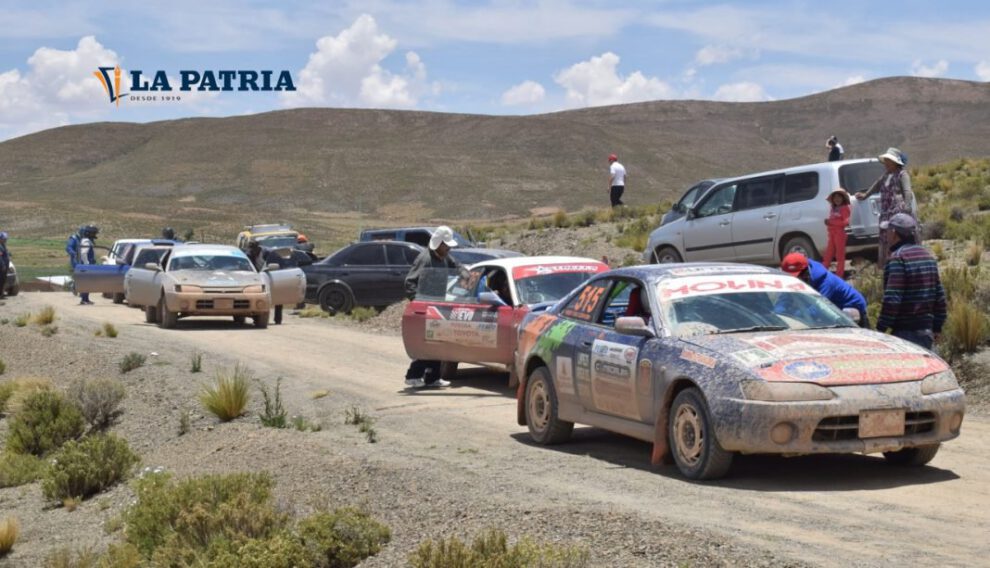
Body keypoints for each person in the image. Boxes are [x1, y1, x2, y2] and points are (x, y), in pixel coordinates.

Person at [403, 226, 465, 388]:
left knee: (438, 341)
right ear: (438, 244)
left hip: (439, 305)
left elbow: (457, 266)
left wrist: (465, 274)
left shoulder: (445, 256)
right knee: (427, 344)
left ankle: (433, 377)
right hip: (425, 307)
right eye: (447, 245)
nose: (449, 248)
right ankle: (413, 375)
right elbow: (410, 282)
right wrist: (418, 303)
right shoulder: (425, 259)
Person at [875, 213, 946, 350]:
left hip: (905, 332)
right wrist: (937, 326)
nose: (886, 235)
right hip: (926, 331)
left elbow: (892, 298)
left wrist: (880, 329)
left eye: (888, 231)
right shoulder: (928, 256)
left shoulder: (898, 259)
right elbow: (939, 295)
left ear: (894, 233)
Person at [855, 147, 917, 267]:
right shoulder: (885, 176)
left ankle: (901, 263)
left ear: (895, 162)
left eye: (889, 161)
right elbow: (876, 186)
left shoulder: (902, 175)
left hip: (898, 212)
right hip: (886, 212)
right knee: (886, 238)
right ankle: (887, 264)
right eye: (886, 161)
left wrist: (907, 208)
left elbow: (907, 191)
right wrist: (865, 195)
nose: (886, 163)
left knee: (897, 237)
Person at [780, 252, 869, 327]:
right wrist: (778, 316)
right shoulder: (794, 280)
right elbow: (784, 300)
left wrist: (793, 317)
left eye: (796, 276)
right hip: (831, 311)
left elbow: (817, 309)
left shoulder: (826, 282)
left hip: (851, 308)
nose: (793, 280)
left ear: (806, 272)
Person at [822, 188, 852, 278]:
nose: (837, 199)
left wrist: (830, 222)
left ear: (843, 198)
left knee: (840, 256)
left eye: (839, 197)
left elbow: (845, 222)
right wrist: (828, 222)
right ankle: (821, 274)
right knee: (828, 255)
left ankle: (839, 276)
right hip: (832, 234)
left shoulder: (845, 208)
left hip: (840, 234)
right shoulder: (833, 208)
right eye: (835, 197)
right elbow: (834, 220)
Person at [76, 225, 98, 305]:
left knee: (87, 282)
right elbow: (84, 253)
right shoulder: (86, 241)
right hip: (86, 266)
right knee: (86, 282)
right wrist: (87, 264)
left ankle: (86, 299)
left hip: (87, 266)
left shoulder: (87, 240)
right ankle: (84, 299)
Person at [0, 232, 10, 298]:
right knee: (1, 280)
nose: (5, 240)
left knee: (4, 280)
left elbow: (5, 253)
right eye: (4, 239)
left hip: (5, 266)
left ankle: (2, 293)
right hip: (1, 266)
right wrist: (2, 265)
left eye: (6, 239)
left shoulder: (3, 246)